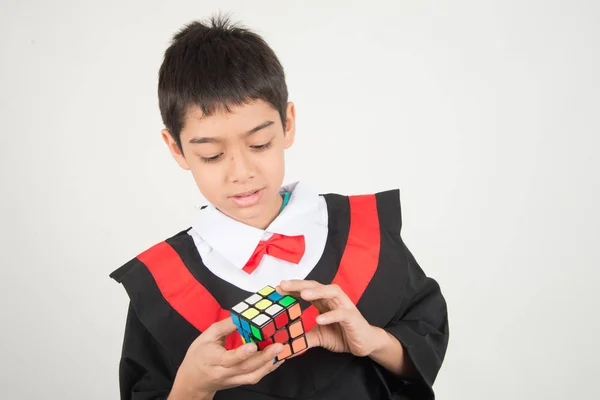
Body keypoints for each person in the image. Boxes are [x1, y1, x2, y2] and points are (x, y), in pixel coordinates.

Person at [110, 14, 449, 400]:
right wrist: (191, 387)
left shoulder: (365, 232)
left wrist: (370, 340)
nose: (241, 172)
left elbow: (424, 343)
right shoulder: (160, 283)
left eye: (259, 145)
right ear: (177, 149)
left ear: (287, 123)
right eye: (212, 155)